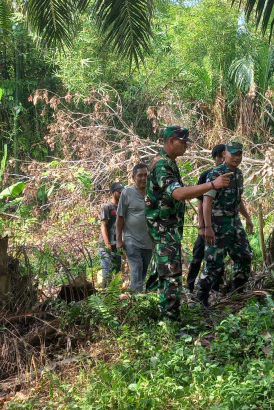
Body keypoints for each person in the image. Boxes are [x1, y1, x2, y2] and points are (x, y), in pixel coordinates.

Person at [146, 126, 232, 321]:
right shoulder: (161, 165)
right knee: (171, 277)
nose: (186, 146)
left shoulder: (170, 163)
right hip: (164, 230)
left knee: (158, 274)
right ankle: (171, 323)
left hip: (167, 230)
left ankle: (151, 316)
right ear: (170, 141)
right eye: (182, 142)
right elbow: (178, 193)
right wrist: (212, 185)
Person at [195, 141, 254, 308]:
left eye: (239, 154)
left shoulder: (239, 174)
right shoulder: (216, 174)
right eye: (233, 154)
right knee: (214, 263)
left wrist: (247, 218)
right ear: (224, 155)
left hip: (234, 222)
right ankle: (201, 299)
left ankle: (238, 292)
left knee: (244, 256)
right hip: (217, 224)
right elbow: (206, 201)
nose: (236, 157)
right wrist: (206, 227)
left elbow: (238, 199)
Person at [186, 144, 227, 292]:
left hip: (222, 227)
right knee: (198, 255)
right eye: (219, 157)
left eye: (224, 157)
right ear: (215, 158)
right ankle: (190, 286)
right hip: (207, 226)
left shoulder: (230, 176)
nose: (222, 160)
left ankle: (214, 288)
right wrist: (202, 227)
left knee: (218, 259)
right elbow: (201, 202)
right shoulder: (207, 176)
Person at [117, 163, 153, 292]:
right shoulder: (127, 193)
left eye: (146, 175)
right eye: (140, 175)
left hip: (149, 242)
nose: (143, 178)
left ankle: (137, 301)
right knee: (136, 271)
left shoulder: (153, 192)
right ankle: (135, 303)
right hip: (131, 240)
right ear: (133, 177)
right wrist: (119, 239)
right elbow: (120, 217)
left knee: (142, 274)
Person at [98, 182, 124, 288]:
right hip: (106, 246)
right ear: (113, 193)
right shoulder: (107, 207)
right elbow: (103, 225)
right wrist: (107, 243)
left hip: (117, 245)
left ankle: (114, 297)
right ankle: (106, 295)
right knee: (107, 271)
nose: (121, 193)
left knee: (117, 271)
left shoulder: (123, 207)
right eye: (119, 191)